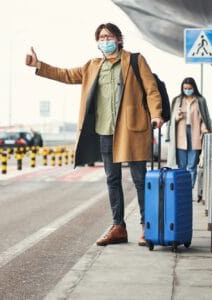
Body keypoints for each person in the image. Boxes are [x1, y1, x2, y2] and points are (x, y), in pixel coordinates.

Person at [26, 23, 163, 246]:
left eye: (109, 36)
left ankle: (146, 227)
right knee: (112, 179)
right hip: (105, 130)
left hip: (132, 129)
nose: (105, 41)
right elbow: (66, 74)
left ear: (119, 39)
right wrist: (38, 65)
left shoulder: (135, 61)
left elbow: (151, 90)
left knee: (140, 180)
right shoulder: (93, 65)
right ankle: (118, 227)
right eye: (101, 37)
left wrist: (156, 114)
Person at [166, 77, 212, 188]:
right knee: (182, 166)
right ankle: (182, 189)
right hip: (181, 135)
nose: (187, 90)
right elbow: (170, 120)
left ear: (194, 88)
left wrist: (204, 128)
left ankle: (189, 190)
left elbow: (204, 118)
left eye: (189, 88)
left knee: (192, 165)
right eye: (185, 88)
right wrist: (176, 117)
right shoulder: (177, 100)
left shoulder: (200, 100)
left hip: (195, 134)